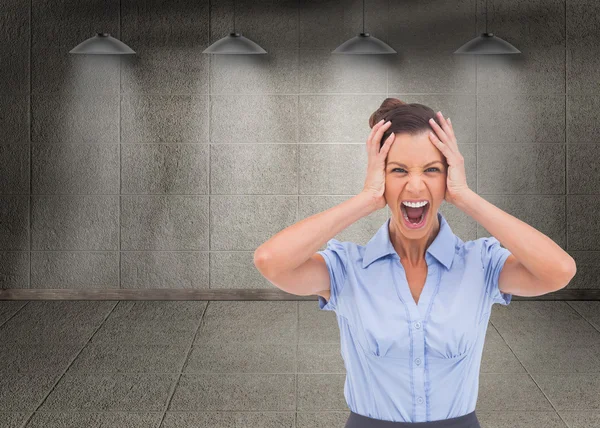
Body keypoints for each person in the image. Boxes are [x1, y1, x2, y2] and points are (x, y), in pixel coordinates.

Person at [254, 98, 576, 427]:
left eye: (432, 170)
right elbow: (271, 262)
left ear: (448, 176)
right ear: (381, 176)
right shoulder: (347, 268)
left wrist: (465, 195)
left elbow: (559, 271)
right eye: (399, 170)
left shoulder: (481, 264)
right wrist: (366, 199)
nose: (416, 185)